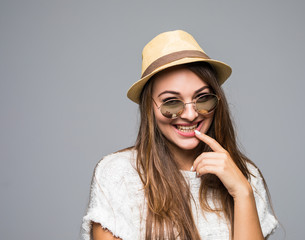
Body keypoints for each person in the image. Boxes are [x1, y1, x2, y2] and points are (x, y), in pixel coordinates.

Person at [81, 30, 279, 240]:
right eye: (171, 102)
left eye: (203, 99)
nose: (191, 114)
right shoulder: (118, 174)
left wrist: (242, 192)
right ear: (150, 108)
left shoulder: (246, 176)